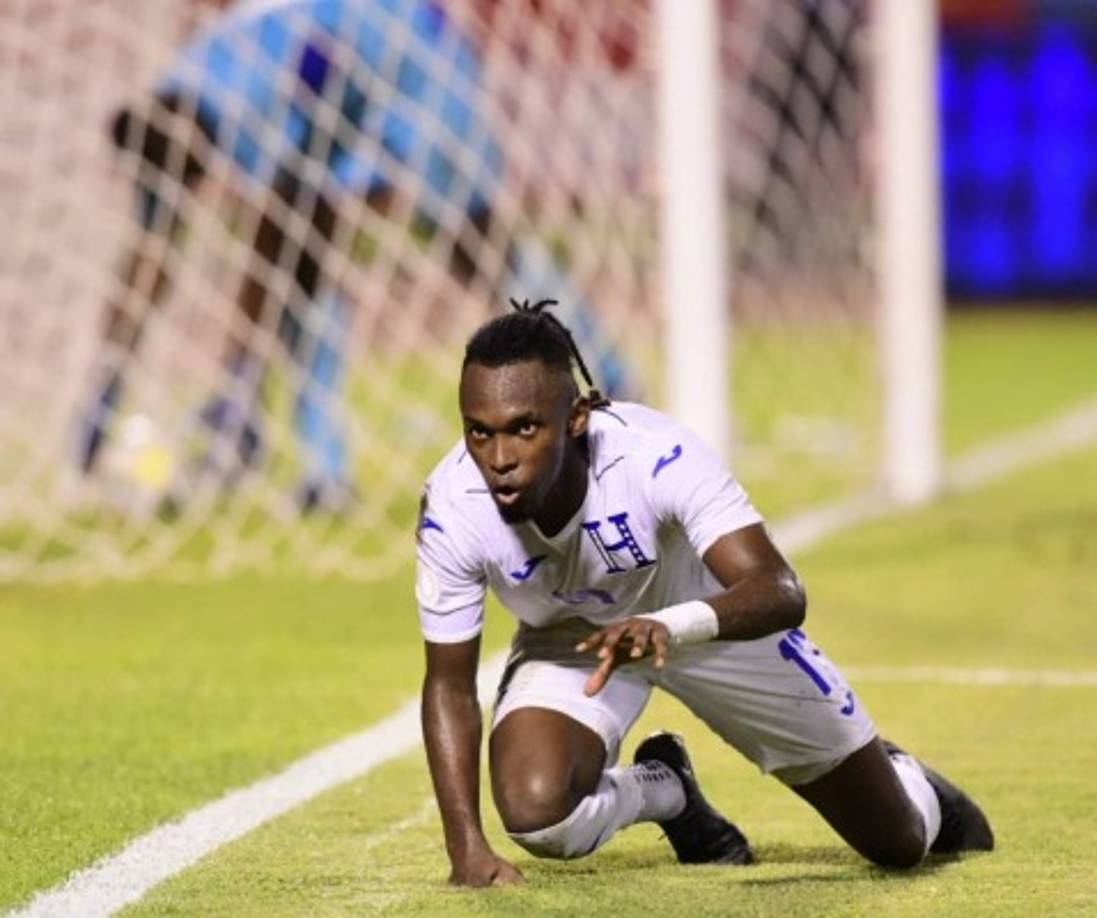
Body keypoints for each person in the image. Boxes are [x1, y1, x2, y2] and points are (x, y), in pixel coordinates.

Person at [416, 299, 993, 887]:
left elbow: (779, 590)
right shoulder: (453, 507)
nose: (500, 459)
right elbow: (449, 684)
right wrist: (467, 849)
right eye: (479, 433)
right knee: (538, 815)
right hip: (577, 642)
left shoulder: (655, 456)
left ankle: (909, 779)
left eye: (524, 428)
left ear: (578, 417)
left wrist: (672, 626)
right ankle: (667, 792)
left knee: (897, 844)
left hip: (711, 620)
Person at [75, 0, 633, 509]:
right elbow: (150, 256)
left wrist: (237, 376)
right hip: (337, 81)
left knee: (476, 247)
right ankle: (320, 470)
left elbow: (285, 237)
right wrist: (104, 390)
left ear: (197, 153)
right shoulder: (168, 111)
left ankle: (611, 383)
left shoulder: (253, 102)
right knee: (307, 265)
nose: (179, 202)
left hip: (413, 54)